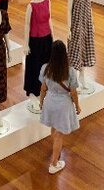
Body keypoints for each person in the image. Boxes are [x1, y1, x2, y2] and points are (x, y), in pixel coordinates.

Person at [38, 40, 82, 174]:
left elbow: (43, 88)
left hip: (50, 102)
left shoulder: (45, 68)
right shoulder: (70, 72)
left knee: (54, 129)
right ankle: (54, 163)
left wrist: (41, 102)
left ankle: (55, 153)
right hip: (63, 105)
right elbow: (73, 92)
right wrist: (77, 106)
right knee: (59, 135)